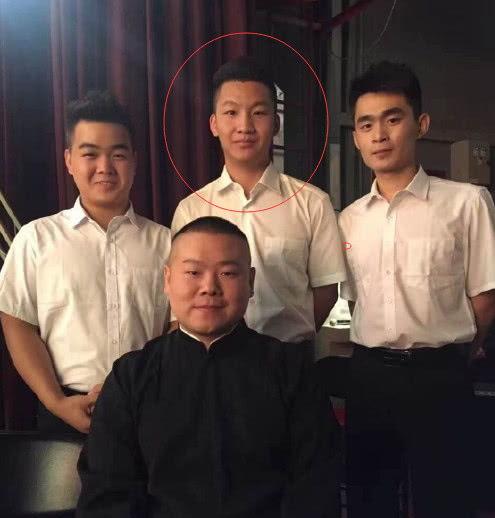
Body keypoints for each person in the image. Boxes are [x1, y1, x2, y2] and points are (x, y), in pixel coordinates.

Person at [77, 216, 341, 518]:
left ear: (250, 282)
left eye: (227, 273)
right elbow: (107, 492)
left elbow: (315, 485)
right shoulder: (130, 376)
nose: (209, 287)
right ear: (167, 280)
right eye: (193, 272)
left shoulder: (291, 370)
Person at [339, 61, 495, 517]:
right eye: (366, 124)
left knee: (446, 501)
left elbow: (485, 297)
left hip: (439, 376)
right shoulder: (348, 219)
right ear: (356, 137)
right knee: (370, 502)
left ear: (420, 124)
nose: (379, 135)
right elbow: (355, 299)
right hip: (368, 376)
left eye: (393, 119)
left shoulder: (467, 203)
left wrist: (459, 353)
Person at [0, 91, 171, 435]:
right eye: (90, 154)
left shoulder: (167, 243)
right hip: (62, 410)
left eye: (118, 155)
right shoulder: (36, 238)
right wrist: (56, 402)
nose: (104, 167)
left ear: (134, 161)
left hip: (150, 409)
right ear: (69, 160)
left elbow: (177, 328)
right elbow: (18, 323)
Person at [171, 56, 346, 344]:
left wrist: (284, 348)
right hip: (212, 358)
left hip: (289, 356)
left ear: (276, 123)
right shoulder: (192, 209)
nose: (245, 126)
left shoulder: (312, 203)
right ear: (214, 124)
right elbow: (182, 293)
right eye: (231, 112)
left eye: (258, 113)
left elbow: (326, 290)